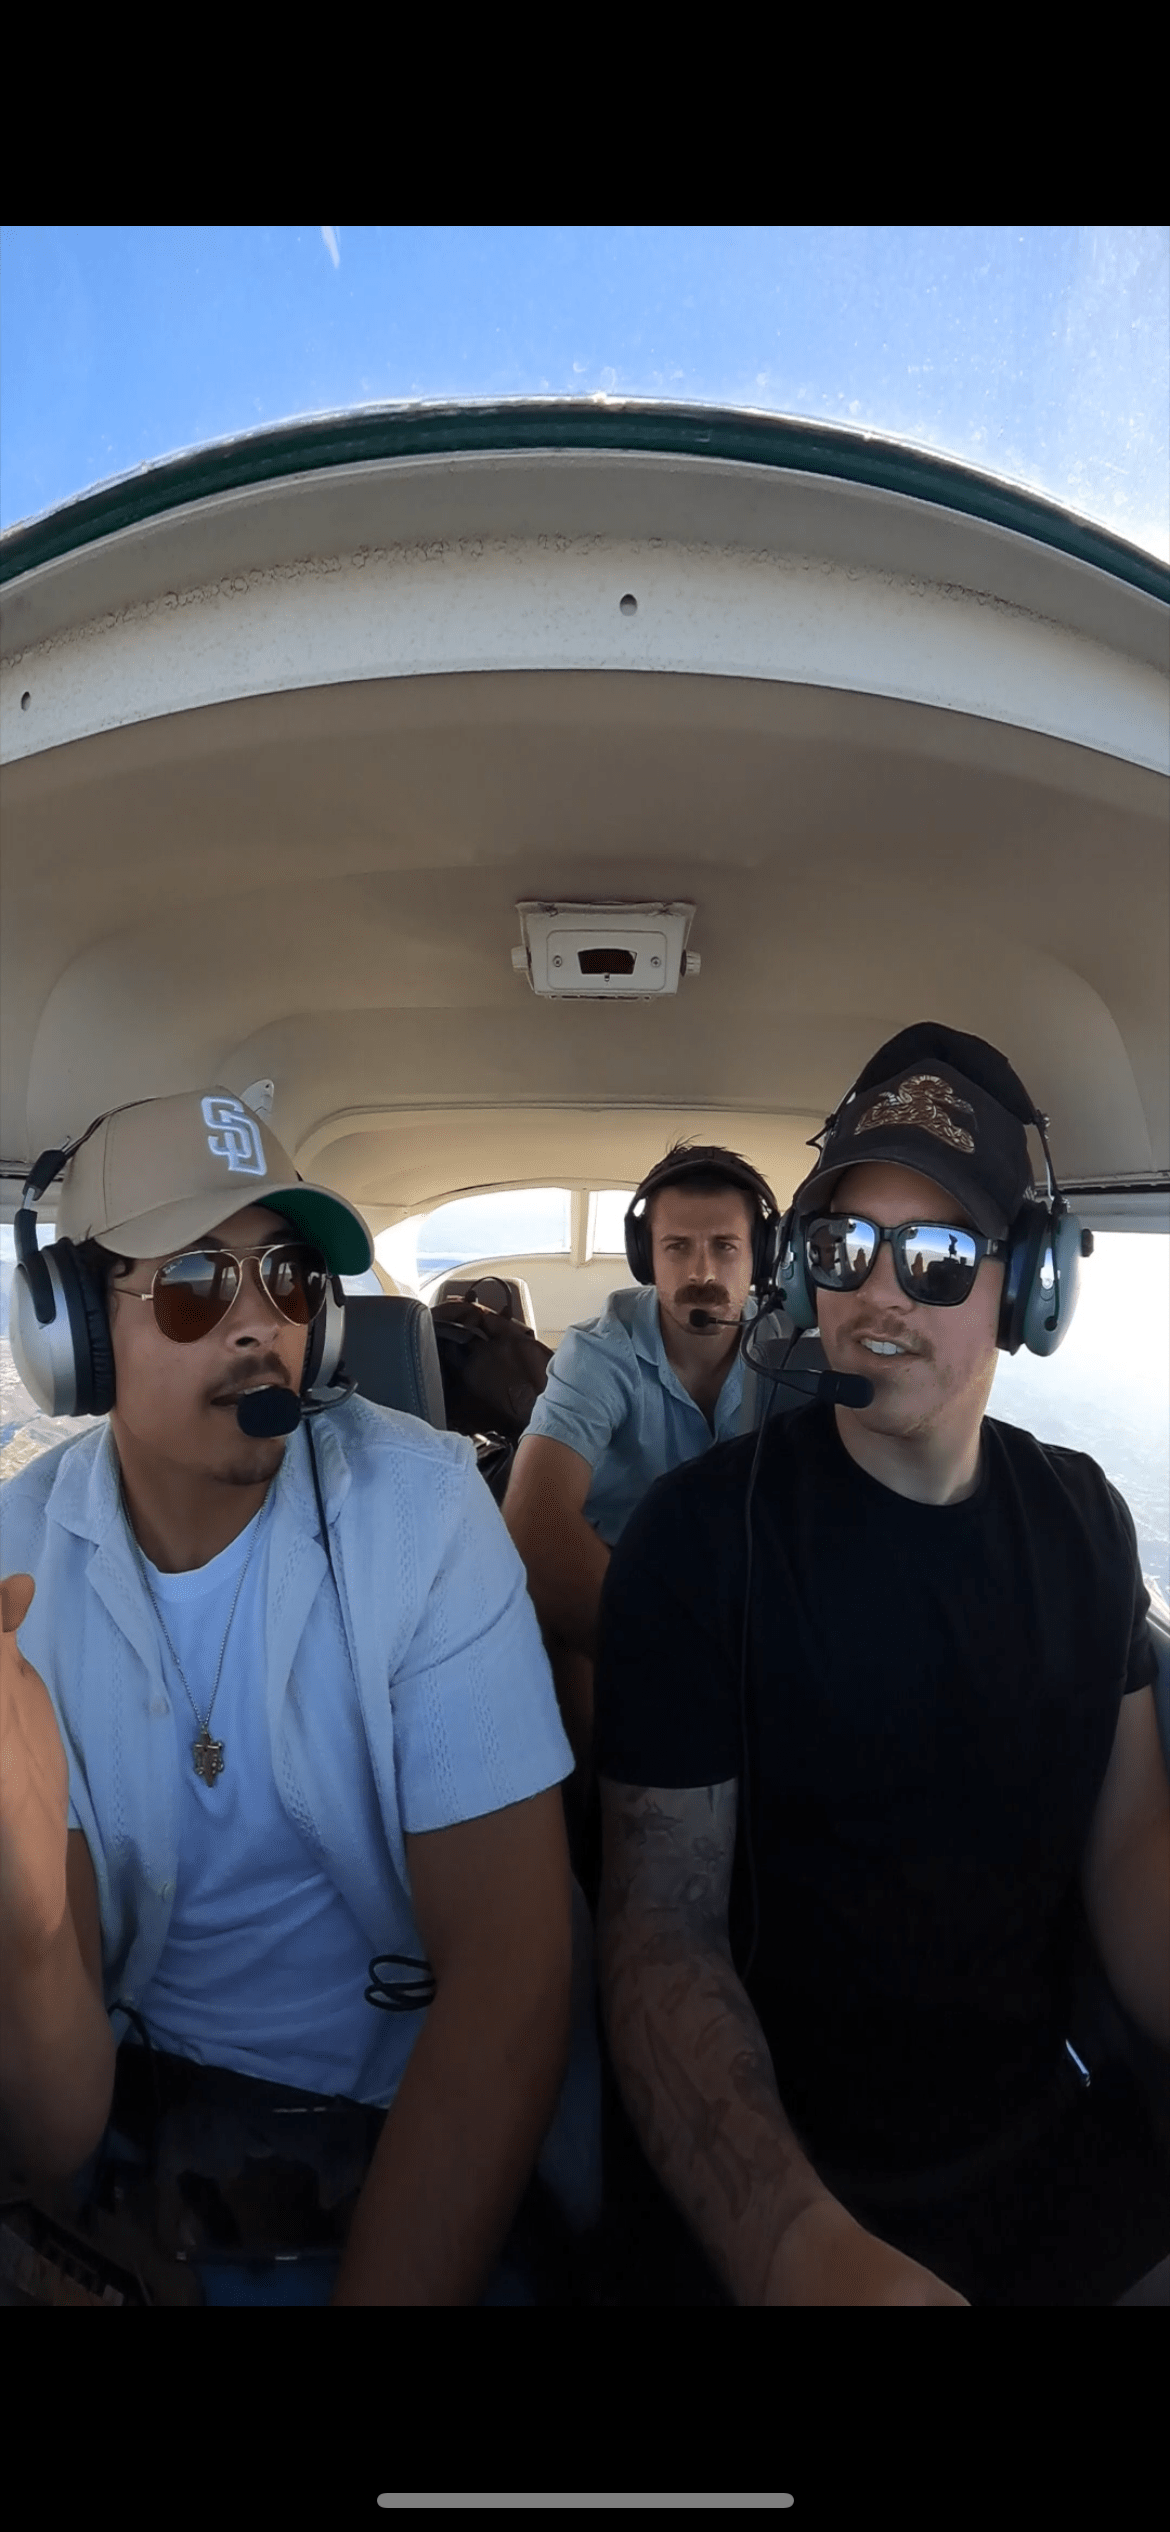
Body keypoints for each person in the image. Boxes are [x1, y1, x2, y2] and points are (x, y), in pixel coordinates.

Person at [595, 1024, 1170, 2306]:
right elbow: (658, 1934)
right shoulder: (698, 1543)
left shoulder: (1088, 1521)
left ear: (1030, 1287)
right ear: (808, 1276)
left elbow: (1131, 1850)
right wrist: (794, 2247)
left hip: (1039, 2157)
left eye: (944, 1254)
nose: (883, 1292)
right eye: (849, 1248)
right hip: (776, 2183)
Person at [0, 1088, 587, 2306]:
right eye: (194, 1285)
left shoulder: (422, 1514)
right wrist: (33, 1930)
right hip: (143, 2130)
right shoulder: (20, 1568)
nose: (259, 1325)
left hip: (410, 2120)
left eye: (288, 1279)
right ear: (74, 1334)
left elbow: (512, 1978)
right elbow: (52, 2135)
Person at [504, 1146, 780, 1763]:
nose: (701, 1271)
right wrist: (677, 1660)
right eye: (677, 1246)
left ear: (761, 1256)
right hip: (621, 1582)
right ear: (645, 1257)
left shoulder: (793, 1349)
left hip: (752, 1592)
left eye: (726, 1246)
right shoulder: (597, 1353)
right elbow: (533, 1524)